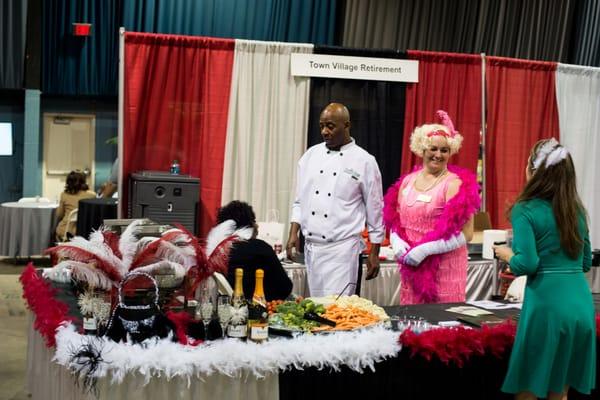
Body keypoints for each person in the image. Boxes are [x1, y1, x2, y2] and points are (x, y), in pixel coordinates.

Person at [494, 138, 595, 400]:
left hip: (547, 307)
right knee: (559, 391)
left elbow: (528, 263)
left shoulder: (525, 209)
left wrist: (507, 254)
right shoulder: (577, 210)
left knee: (527, 388)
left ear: (531, 170)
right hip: (581, 307)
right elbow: (584, 263)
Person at [286, 103, 384, 297]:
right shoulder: (310, 156)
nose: (324, 131)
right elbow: (300, 200)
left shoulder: (364, 161)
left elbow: (375, 210)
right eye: (322, 126)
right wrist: (293, 233)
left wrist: (374, 252)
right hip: (312, 248)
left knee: (337, 312)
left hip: (342, 250)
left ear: (347, 125)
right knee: (317, 309)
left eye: (330, 126)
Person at [383, 110, 479, 304]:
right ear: (422, 149)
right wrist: (396, 241)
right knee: (412, 318)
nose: (438, 155)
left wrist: (425, 250)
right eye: (433, 149)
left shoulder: (455, 184)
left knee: (440, 323)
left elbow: (466, 234)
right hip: (412, 267)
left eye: (444, 150)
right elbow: (395, 219)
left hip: (444, 269)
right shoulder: (407, 182)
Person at [217, 201, 293, 301]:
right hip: (258, 307)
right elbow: (285, 288)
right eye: (254, 221)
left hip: (228, 305)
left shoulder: (220, 250)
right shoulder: (260, 248)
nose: (257, 226)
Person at [55, 171, 96, 241]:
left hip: (66, 231)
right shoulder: (92, 195)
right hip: (84, 231)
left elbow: (59, 215)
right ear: (83, 181)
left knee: (55, 232)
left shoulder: (64, 195)